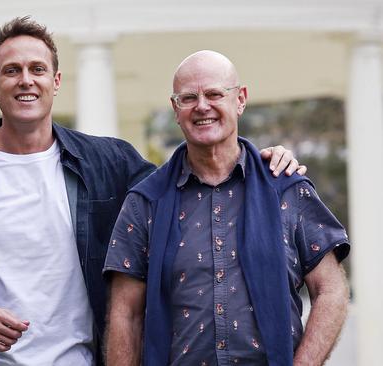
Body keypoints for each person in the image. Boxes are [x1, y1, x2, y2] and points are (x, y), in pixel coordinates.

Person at [0, 17, 305, 366]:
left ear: (56, 81)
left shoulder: (109, 162)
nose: (25, 80)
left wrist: (254, 160)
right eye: (12, 71)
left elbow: (191, 183)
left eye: (37, 69)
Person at [103, 50, 350, 366]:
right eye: (189, 97)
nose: (202, 106)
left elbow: (331, 290)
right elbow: (126, 314)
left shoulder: (286, 189)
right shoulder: (145, 203)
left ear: (240, 100)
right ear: (175, 109)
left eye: (214, 94)